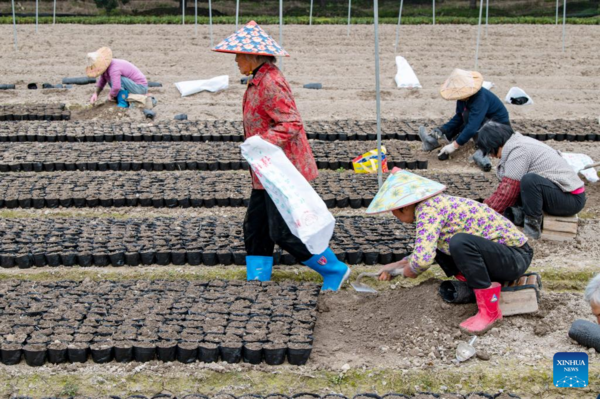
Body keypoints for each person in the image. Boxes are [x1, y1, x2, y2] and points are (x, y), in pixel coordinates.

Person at [212, 21, 350, 291]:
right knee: (256, 227)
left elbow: (291, 122)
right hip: (265, 169)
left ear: (254, 57)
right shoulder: (257, 80)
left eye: (239, 55)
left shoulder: (271, 82)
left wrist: (259, 143)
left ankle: (335, 269)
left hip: (283, 169)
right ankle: (258, 278)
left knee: (283, 231)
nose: (236, 60)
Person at [366, 169, 533, 335]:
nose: (396, 217)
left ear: (404, 207)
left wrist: (408, 271)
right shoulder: (432, 205)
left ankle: (489, 312)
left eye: (394, 212)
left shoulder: (429, 209)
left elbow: (422, 261)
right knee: (442, 245)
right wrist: (396, 266)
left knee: (460, 242)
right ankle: (474, 283)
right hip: (503, 256)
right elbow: (424, 250)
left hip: (515, 257)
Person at [477, 121, 586, 239]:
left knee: (529, 181)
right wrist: (486, 206)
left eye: (490, 152)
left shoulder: (519, 150)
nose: (492, 156)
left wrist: (488, 216)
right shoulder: (516, 143)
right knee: (523, 185)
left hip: (571, 199)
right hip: (560, 194)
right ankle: (520, 216)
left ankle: (532, 230)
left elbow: (508, 191)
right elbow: (504, 187)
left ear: (495, 144)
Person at [419, 69, 510, 172]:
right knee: (463, 119)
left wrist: (454, 145)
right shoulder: (463, 98)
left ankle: (483, 152)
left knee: (467, 119)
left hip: (499, 130)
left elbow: (472, 127)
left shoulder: (480, 99)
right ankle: (433, 140)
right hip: (483, 123)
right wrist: (442, 130)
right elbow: (458, 117)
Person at [86, 47, 154, 109]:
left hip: (140, 87)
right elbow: (102, 81)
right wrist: (96, 94)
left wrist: (111, 95)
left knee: (117, 81)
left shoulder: (114, 68)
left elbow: (116, 86)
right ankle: (122, 98)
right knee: (112, 81)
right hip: (132, 85)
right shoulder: (106, 69)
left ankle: (123, 103)